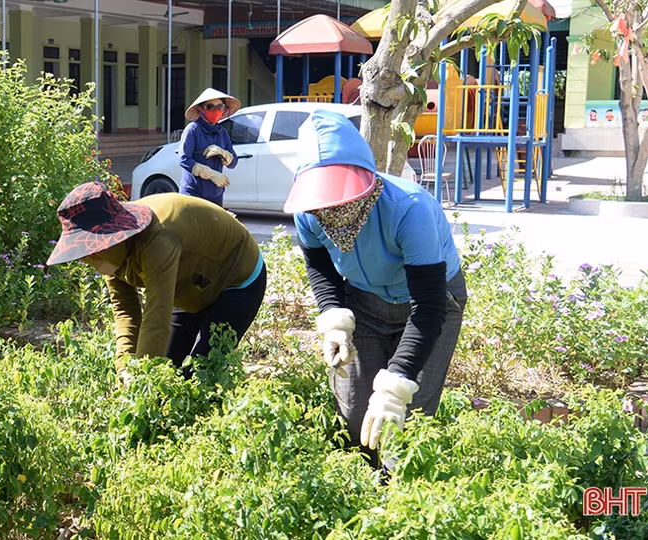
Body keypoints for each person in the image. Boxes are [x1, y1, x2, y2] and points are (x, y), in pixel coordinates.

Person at [284, 110, 467, 467]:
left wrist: (396, 383)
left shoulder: (408, 209)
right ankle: (362, 490)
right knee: (355, 412)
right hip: (365, 302)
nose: (334, 210)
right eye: (324, 202)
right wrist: (334, 318)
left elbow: (428, 307)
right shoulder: (308, 212)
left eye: (343, 199)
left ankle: (400, 499)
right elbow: (320, 267)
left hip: (432, 304)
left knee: (404, 416)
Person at [46, 182, 266, 379]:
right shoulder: (108, 254)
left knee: (202, 373)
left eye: (90, 251)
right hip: (188, 284)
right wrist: (125, 366)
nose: (87, 259)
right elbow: (126, 310)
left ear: (111, 236)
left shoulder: (158, 240)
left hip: (236, 277)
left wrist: (142, 378)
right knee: (168, 369)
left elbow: (157, 316)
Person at [178, 88, 241, 206]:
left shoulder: (222, 133)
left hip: (216, 194)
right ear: (201, 109)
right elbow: (184, 159)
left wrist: (224, 154)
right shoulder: (193, 130)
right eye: (210, 107)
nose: (216, 110)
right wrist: (210, 174)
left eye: (220, 107)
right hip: (193, 194)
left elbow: (233, 163)